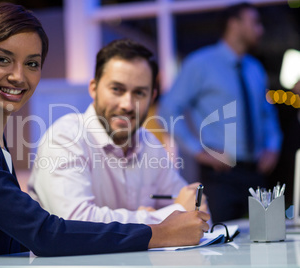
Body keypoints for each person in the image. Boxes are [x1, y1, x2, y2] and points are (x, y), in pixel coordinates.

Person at [0, 2, 210, 264]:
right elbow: (45, 233)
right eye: (2, 59)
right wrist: (160, 230)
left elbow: (20, 232)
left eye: (31, 64)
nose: (18, 76)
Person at [28, 39, 208, 224]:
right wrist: (164, 215)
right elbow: (75, 222)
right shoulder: (65, 137)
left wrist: (181, 212)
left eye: (139, 93)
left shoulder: (149, 143)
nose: (127, 105)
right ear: (94, 88)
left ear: (152, 97)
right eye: (116, 89)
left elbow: (198, 214)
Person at [159, 2, 282, 222]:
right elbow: (168, 109)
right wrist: (198, 151)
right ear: (234, 24)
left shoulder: (254, 68)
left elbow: (267, 115)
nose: (260, 30)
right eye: (254, 23)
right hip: (220, 175)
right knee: (219, 243)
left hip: (256, 172)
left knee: (268, 237)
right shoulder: (200, 63)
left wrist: (272, 147)